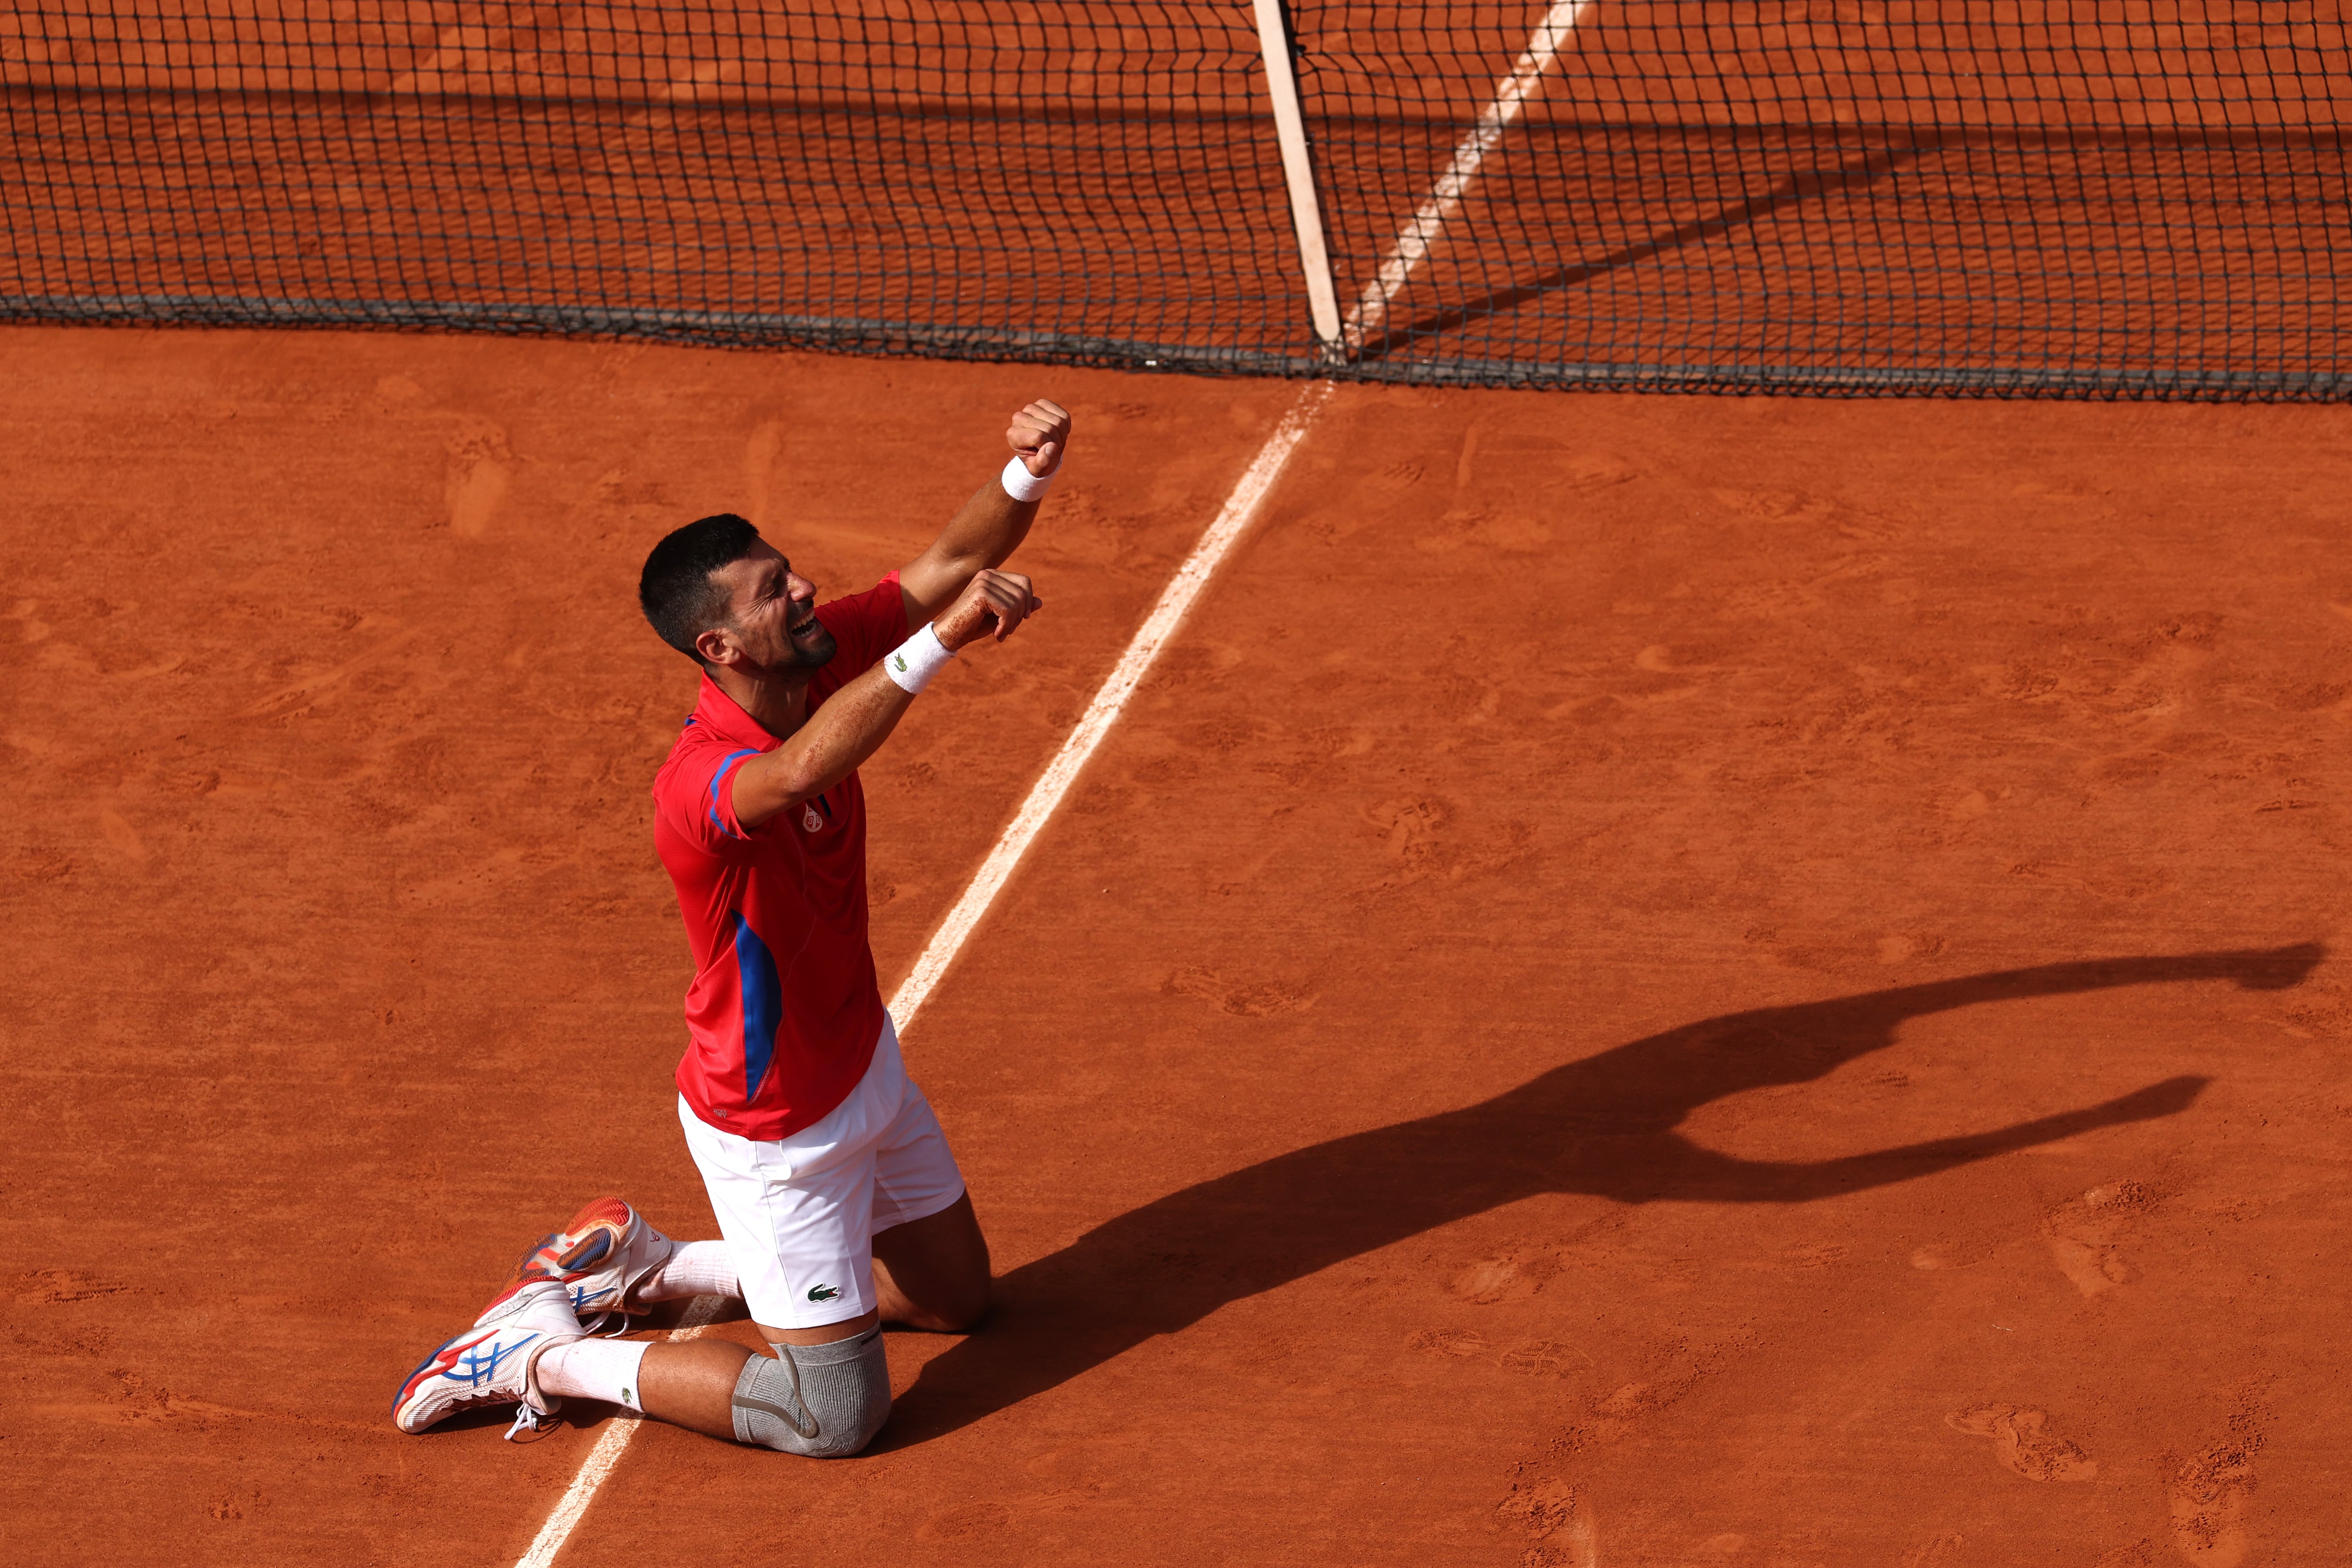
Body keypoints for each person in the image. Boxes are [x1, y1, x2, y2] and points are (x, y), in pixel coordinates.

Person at [391, 398, 1071, 1456]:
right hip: (779, 1128)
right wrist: (939, 641)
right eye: (773, 592)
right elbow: (803, 769)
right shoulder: (698, 783)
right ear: (719, 645)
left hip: (863, 1066)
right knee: (834, 1416)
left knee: (956, 1302)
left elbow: (953, 554)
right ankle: (536, 1350)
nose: (803, 589)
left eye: (788, 571)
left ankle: (643, 1269)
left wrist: (1024, 473)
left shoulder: (812, 657)